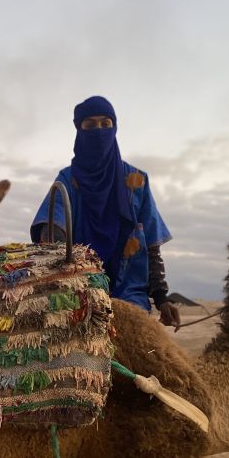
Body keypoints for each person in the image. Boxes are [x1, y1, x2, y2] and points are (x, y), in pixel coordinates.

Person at [30, 95, 180, 329]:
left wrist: (161, 298)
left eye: (105, 124)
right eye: (90, 125)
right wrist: (59, 257)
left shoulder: (136, 182)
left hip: (129, 294)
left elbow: (151, 246)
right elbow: (51, 229)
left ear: (114, 128)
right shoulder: (68, 181)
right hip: (78, 291)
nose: (98, 130)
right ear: (79, 130)